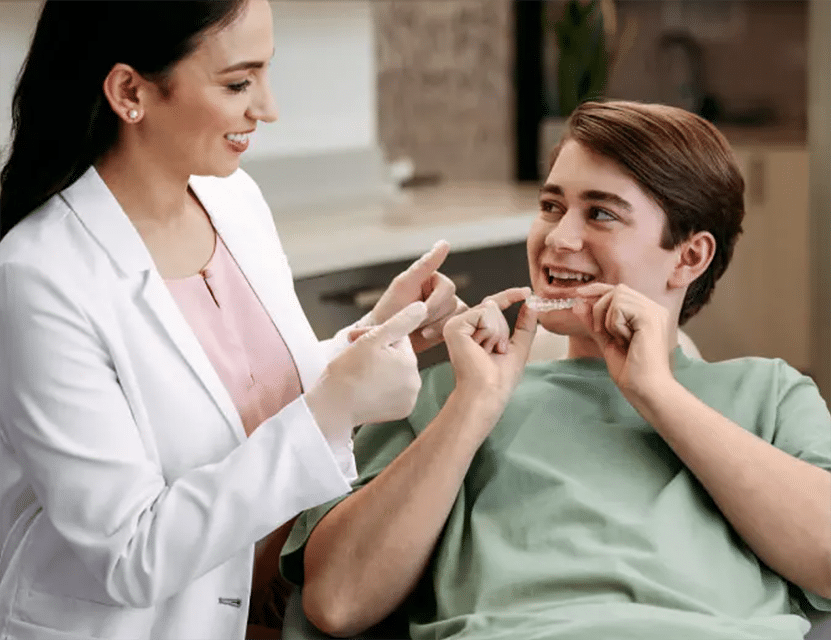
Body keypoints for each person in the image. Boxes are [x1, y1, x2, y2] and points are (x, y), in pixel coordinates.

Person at [281, 100, 831, 640]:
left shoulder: (770, 394)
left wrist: (656, 392)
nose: (558, 239)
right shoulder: (441, 395)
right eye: (551, 206)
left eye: (601, 213)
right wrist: (472, 410)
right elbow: (337, 602)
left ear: (689, 257)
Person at [0, 1, 464, 639]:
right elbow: (127, 556)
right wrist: (335, 407)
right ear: (129, 90)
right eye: (238, 83)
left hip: (274, 614)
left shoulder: (232, 198)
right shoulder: (37, 275)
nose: (267, 108)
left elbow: (240, 396)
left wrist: (372, 339)